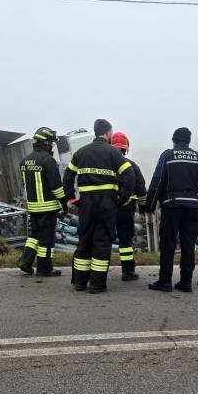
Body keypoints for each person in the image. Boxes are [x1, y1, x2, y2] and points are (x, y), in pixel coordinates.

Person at [63, 119, 135, 294]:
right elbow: (129, 176)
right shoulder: (114, 153)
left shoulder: (81, 153)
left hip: (86, 204)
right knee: (102, 242)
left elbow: (67, 177)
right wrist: (122, 198)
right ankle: (96, 284)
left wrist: (72, 199)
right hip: (107, 205)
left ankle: (80, 282)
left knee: (85, 241)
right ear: (108, 133)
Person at [146, 127, 198, 293]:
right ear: (189, 141)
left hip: (172, 206)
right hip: (192, 208)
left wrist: (148, 206)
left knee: (168, 244)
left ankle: (165, 282)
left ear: (174, 140)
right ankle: (186, 283)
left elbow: (157, 180)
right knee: (188, 245)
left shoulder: (167, 155)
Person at [18, 127, 69, 277]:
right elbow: (56, 187)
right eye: (52, 143)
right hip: (48, 208)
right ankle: (44, 268)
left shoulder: (25, 161)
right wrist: (64, 203)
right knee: (47, 239)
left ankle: (25, 261)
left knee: (34, 236)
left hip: (33, 207)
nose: (52, 146)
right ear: (46, 143)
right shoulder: (48, 160)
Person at [110, 131, 147, 281]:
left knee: (103, 238)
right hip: (126, 208)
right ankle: (128, 271)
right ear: (126, 149)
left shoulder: (105, 165)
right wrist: (143, 208)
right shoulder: (131, 166)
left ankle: (99, 270)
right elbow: (141, 189)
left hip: (107, 207)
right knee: (125, 240)